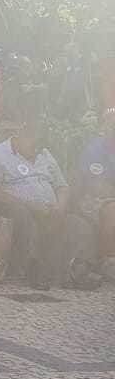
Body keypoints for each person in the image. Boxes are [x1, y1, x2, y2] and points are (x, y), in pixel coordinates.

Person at [0, 114, 74, 287]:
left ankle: (76, 270)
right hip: (13, 208)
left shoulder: (44, 153)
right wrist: (29, 205)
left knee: (78, 223)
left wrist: (60, 206)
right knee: (22, 215)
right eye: (34, 142)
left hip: (50, 208)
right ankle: (35, 270)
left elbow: (62, 186)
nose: (37, 148)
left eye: (39, 143)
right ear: (20, 135)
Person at [73, 109, 115, 265]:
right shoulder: (95, 150)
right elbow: (97, 186)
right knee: (112, 210)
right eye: (112, 124)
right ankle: (108, 261)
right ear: (105, 126)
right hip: (91, 198)